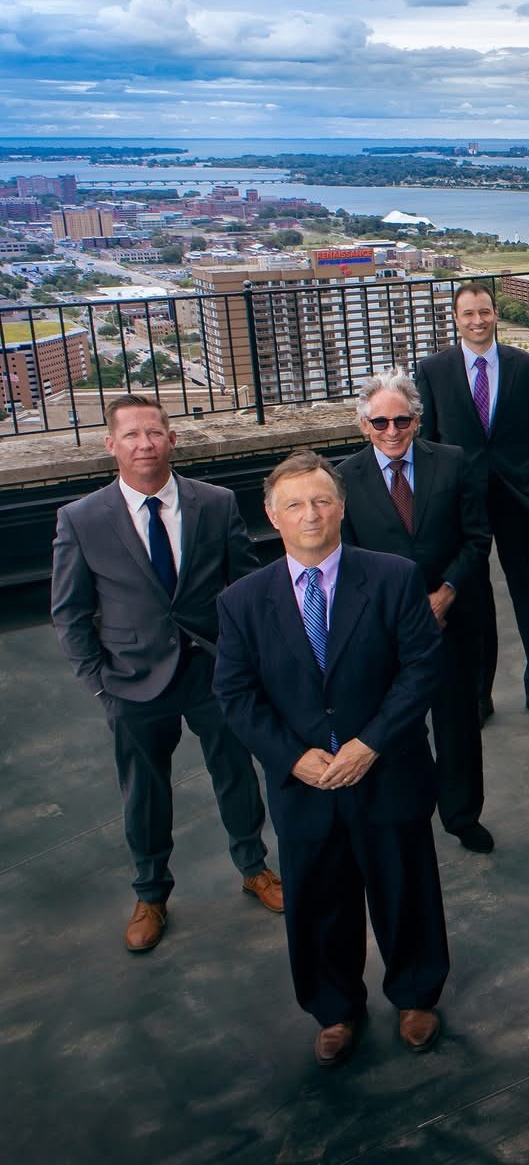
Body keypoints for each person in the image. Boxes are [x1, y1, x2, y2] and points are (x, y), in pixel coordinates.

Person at [213, 452, 450, 1067]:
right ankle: (335, 1008)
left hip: (387, 767)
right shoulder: (242, 601)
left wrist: (369, 743)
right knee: (320, 899)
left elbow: (423, 667)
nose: (310, 514)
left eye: (321, 501)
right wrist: (294, 760)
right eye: (294, 504)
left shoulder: (394, 576)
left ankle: (416, 993)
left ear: (342, 508)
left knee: (405, 887)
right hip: (305, 784)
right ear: (271, 515)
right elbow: (235, 695)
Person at [50, 394, 281, 953]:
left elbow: (244, 587)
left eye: (153, 432)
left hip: (211, 670)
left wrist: (242, 661)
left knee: (235, 773)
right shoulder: (81, 519)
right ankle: (151, 892)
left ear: (171, 438)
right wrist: (101, 686)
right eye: (130, 435)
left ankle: (254, 866)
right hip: (131, 680)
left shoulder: (217, 503)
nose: (144, 444)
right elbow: (70, 611)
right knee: (144, 792)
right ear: (111, 446)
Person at [338, 371, 497, 854]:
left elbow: (477, 537)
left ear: (417, 420)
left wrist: (446, 592)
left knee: (458, 725)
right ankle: (407, 817)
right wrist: (402, 614)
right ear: (363, 425)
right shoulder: (343, 479)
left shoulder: (452, 463)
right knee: (397, 729)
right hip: (383, 631)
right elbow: (345, 560)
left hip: (452, 619)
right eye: (380, 422)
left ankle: (462, 815)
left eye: (401, 420)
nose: (391, 431)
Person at [415, 280, 529, 727]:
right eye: (468, 314)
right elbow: (429, 441)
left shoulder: (524, 366)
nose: (477, 321)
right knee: (471, 600)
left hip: (518, 496)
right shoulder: (433, 370)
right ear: (456, 319)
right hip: (461, 503)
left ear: (495, 314)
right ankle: (478, 695)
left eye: (484, 312)